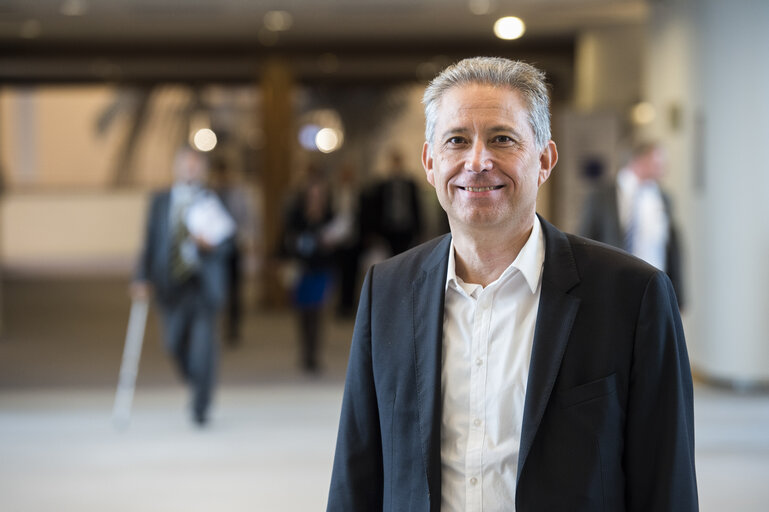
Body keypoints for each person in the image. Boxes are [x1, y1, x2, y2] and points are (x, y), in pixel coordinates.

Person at [327, 57, 698, 511]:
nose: (477, 161)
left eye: (502, 139)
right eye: (456, 141)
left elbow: (667, 485)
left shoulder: (633, 296)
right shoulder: (386, 291)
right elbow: (356, 472)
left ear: (544, 160)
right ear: (429, 162)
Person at [131, 145, 233, 426]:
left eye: (195, 165)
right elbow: (149, 243)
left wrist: (210, 245)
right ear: (176, 167)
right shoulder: (160, 201)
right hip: (170, 287)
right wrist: (141, 277)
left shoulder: (212, 200)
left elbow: (228, 242)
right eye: (186, 165)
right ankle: (197, 382)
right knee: (173, 344)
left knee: (203, 349)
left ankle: (201, 404)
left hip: (202, 286)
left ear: (202, 169)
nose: (190, 170)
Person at [579, 141, 685, 309]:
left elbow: (672, 248)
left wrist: (677, 295)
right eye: (658, 162)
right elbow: (585, 242)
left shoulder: (663, 198)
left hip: (655, 291)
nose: (664, 168)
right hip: (612, 289)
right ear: (639, 161)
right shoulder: (601, 196)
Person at [282, 175, 336, 373]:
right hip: (301, 268)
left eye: (318, 195)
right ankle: (305, 351)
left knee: (318, 312)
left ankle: (314, 353)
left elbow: (337, 236)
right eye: (312, 195)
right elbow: (288, 239)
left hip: (321, 268)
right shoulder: (297, 214)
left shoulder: (329, 214)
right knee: (303, 312)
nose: (315, 199)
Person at [209, 157, 260, 345]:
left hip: (234, 247)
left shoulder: (239, 194)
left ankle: (233, 327)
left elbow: (248, 218)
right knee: (216, 288)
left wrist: (249, 240)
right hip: (215, 249)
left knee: (235, 291)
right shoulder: (211, 194)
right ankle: (217, 326)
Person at [373, 149, 423, 256]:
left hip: (407, 226)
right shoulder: (383, 185)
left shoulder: (410, 183)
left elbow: (417, 206)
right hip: (389, 227)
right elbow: (377, 208)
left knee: (406, 255)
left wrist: (419, 229)